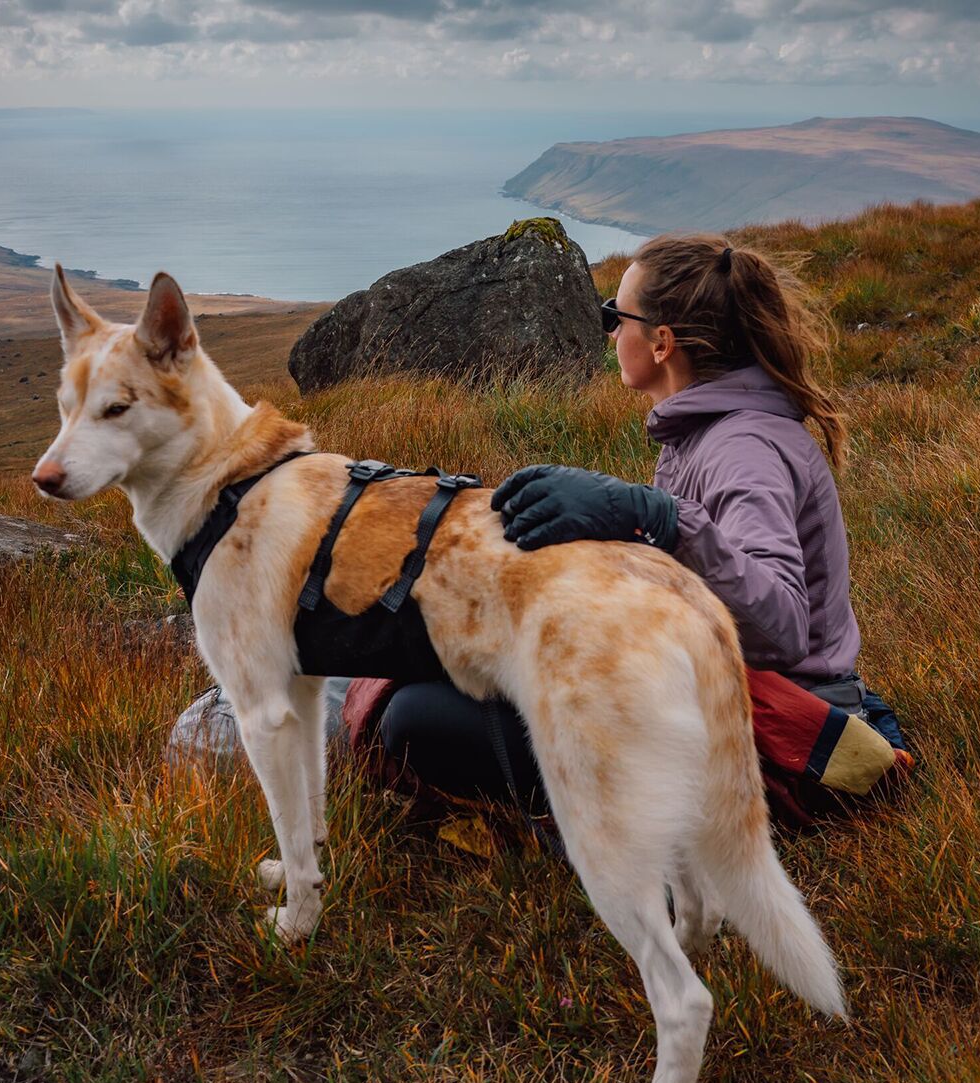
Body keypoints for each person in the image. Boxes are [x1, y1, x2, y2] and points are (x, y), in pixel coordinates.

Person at [344, 234, 911, 841]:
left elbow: (782, 625)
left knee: (417, 718)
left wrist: (657, 517)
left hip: (772, 728)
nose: (611, 331)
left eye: (615, 316)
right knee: (447, 672)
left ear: (661, 342)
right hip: (711, 695)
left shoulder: (743, 448)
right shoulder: (702, 434)